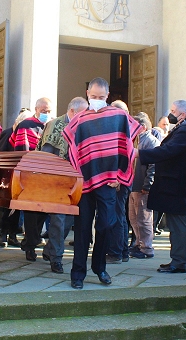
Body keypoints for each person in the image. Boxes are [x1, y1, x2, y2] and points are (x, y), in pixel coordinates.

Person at [63, 77, 142, 289]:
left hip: (109, 181)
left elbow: (126, 147)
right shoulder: (80, 119)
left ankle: (100, 267)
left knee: (107, 224)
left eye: (100, 97)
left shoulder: (118, 116)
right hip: (86, 180)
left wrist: (119, 175)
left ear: (107, 96)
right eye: (93, 96)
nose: (96, 100)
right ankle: (77, 273)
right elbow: (73, 148)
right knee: (82, 229)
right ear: (87, 93)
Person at [136, 100, 186, 273]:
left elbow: (168, 151)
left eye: (173, 110)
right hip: (174, 183)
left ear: (183, 114)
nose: (169, 113)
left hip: (178, 185)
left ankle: (180, 262)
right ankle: (177, 259)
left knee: (179, 224)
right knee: (175, 223)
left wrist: (139, 153)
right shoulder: (183, 129)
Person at [37, 97, 88, 274]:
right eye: (83, 113)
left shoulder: (82, 125)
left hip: (75, 180)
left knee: (69, 220)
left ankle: (50, 249)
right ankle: (56, 258)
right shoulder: (55, 125)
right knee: (59, 219)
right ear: (72, 111)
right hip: (57, 179)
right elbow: (46, 155)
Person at [11, 97, 53, 261]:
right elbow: (19, 147)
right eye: (43, 111)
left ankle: (30, 240)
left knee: (45, 210)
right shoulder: (26, 125)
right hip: (29, 173)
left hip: (47, 175)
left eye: (48, 111)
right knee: (30, 211)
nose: (46, 114)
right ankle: (30, 246)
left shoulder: (51, 125)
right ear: (36, 110)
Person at [0, 109, 34, 247]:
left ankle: (12, 235)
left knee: (18, 207)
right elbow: (1, 154)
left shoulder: (29, 133)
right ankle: (3, 235)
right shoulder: (8, 133)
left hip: (23, 174)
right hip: (9, 174)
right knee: (9, 207)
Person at [127, 112, 161, 259]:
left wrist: (148, 185)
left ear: (142, 127)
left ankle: (147, 248)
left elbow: (154, 165)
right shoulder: (135, 141)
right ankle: (138, 244)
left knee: (144, 218)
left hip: (142, 186)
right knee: (133, 218)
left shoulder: (151, 142)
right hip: (133, 185)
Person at [106, 99, 133, 264]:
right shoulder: (128, 127)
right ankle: (122, 251)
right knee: (120, 215)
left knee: (116, 215)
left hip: (119, 179)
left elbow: (123, 157)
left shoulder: (124, 129)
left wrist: (117, 177)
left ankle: (116, 252)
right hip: (124, 178)